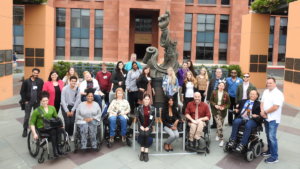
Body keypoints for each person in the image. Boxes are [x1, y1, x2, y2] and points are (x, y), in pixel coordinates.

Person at [30, 91, 64, 157]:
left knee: (59, 130)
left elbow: (56, 118)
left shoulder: (52, 108)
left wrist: (61, 125)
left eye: (46, 100)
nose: (45, 102)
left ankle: (59, 148)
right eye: (43, 101)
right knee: (53, 131)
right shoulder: (37, 110)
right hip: (42, 127)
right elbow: (32, 123)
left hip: (51, 126)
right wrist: (34, 133)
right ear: (40, 101)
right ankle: (55, 151)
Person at [260, 77, 284, 164]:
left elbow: (276, 107)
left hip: (273, 119)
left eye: (270, 83)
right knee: (268, 135)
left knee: (272, 137)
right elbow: (262, 102)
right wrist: (262, 111)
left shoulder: (278, 94)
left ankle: (274, 157)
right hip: (266, 118)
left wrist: (265, 112)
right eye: (267, 83)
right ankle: (269, 151)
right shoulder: (266, 91)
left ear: (275, 83)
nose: (268, 84)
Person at [20, 68, 44, 137]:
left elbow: (42, 90)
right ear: (32, 72)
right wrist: (25, 100)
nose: (35, 74)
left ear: (38, 73)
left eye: (37, 73)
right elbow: (22, 92)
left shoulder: (40, 81)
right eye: (34, 73)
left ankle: (37, 128)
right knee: (27, 116)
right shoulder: (26, 81)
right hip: (28, 102)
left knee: (38, 115)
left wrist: (41, 99)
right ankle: (25, 129)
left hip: (37, 102)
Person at [135, 94, 156, 162]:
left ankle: (145, 152)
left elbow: (153, 119)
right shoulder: (139, 108)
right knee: (143, 134)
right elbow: (137, 118)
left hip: (148, 126)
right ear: (143, 100)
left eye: (148, 99)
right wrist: (141, 126)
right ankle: (142, 152)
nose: (146, 101)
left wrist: (148, 127)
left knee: (146, 134)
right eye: (145, 99)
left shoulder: (152, 109)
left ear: (149, 100)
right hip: (141, 126)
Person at [209, 82, 230, 147]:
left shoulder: (226, 94)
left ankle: (217, 134)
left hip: (223, 112)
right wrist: (215, 105)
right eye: (220, 85)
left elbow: (228, 104)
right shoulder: (214, 92)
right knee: (219, 125)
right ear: (218, 86)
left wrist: (224, 107)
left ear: (224, 87)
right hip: (215, 111)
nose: (221, 87)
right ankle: (222, 139)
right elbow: (211, 101)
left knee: (220, 124)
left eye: (222, 86)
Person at [60, 76, 81, 140]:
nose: (73, 82)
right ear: (69, 81)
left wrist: (72, 110)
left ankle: (70, 134)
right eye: (72, 81)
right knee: (67, 122)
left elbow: (78, 100)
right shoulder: (65, 89)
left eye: (75, 81)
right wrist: (67, 111)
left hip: (73, 107)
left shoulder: (78, 89)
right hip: (65, 106)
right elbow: (62, 100)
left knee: (72, 122)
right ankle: (66, 135)